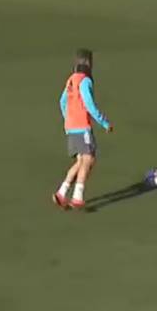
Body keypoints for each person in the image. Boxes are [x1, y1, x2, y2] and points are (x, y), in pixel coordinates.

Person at [54, 48, 113, 210]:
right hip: (81, 126)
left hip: (71, 127)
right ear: (88, 63)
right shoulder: (85, 81)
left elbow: (62, 102)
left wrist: (69, 119)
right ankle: (77, 196)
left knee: (80, 161)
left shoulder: (71, 80)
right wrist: (104, 122)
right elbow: (89, 104)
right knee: (88, 159)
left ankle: (61, 192)